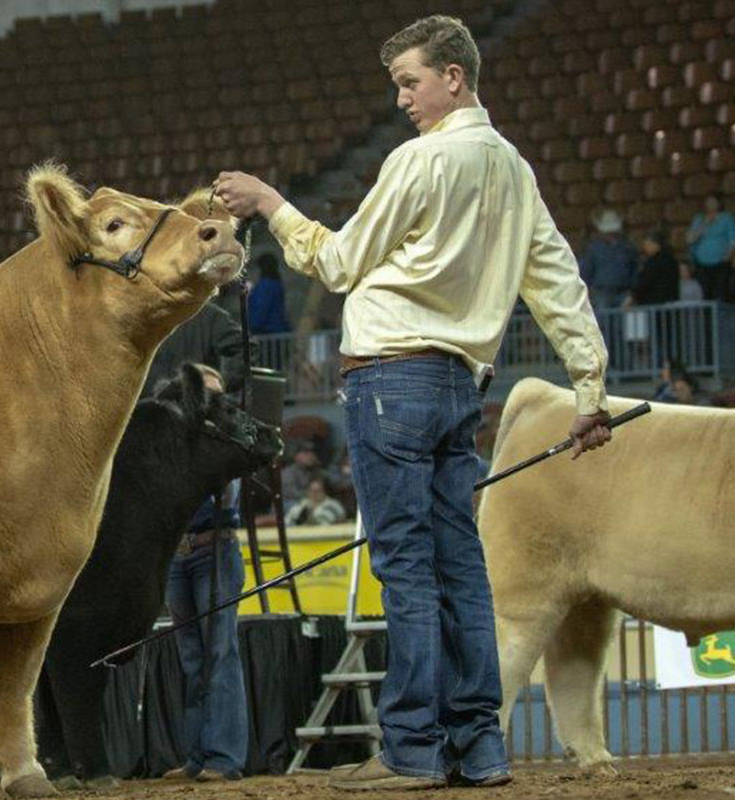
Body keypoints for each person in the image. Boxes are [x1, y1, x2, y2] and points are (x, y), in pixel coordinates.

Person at [214, 14, 611, 791]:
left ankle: (413, 751)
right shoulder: (514, 170)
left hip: (390, 381)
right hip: (462, 384)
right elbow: (559, 286)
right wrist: (589, 389)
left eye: (409, 82)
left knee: (407, 568)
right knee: (460, 567)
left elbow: (337, 262)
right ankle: (481, 749)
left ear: (453, 77)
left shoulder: (419, 160)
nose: (401, 99)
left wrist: (269, 201)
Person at [162, 364, 247, 783]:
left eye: (217, 393)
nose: (211, 401)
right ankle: (198, 755)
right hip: (180, 553)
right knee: (193, 656)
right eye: (204, 393)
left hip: (216, 546)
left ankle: (224, 756)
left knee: (219, 652)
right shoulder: (176, 434)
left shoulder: (227, 430)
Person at [578, 209, 638, 310]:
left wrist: (632, 293)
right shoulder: (593, 249)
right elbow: (585, 272)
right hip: (601, 294)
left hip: (623, 293)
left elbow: (634, 271)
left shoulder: (628, 248)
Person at [686, 194, 735, 302]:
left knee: (721, 292)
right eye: (708, 201)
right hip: (702, 264)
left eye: (713, 201)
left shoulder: (727, 218)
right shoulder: (699, 219)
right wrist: (703, 225)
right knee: (704, 293)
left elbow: (733, 240)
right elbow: (690, 239)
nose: (710, 204)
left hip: (721, 263)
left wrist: (727, 256)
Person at [624, 229, 679, 308]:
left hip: (653, 305)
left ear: (655, 244)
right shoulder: (672, 260)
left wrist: (632, 297)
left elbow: (645, 281)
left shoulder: (654, 262)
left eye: (647, 244)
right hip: (669, 304)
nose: (645, 247)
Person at [246, 253, 291, 335]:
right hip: (277, 331)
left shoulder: (265, 286)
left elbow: (261, 309)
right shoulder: (276, 284)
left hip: (267, 332)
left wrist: (252, 327)